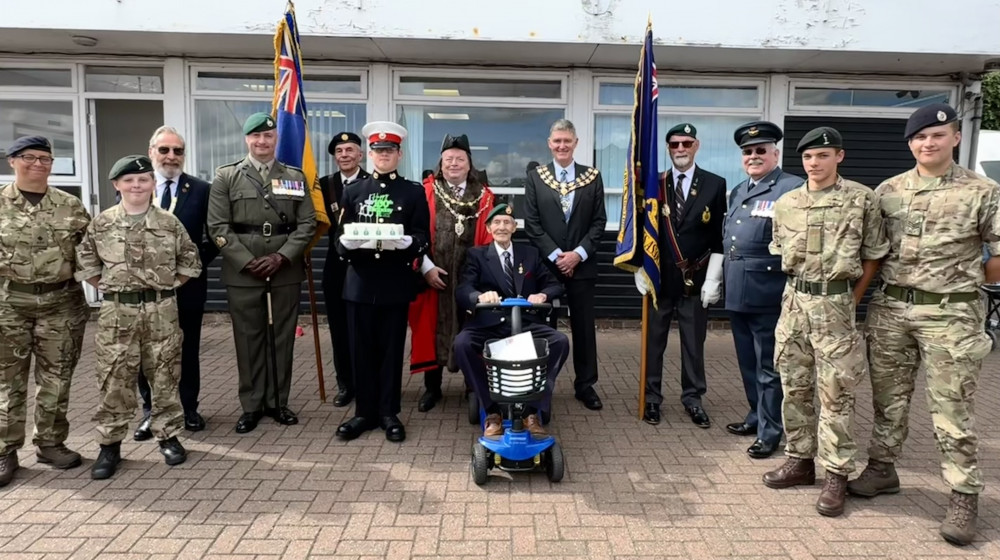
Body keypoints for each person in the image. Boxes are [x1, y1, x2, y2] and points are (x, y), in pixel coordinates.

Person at [849, 104, 1000, 546]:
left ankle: (963, 492)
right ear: (910, 143)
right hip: (892, 310)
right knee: (887, 399)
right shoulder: (889, 190)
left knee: (952, 408)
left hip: (951, 315)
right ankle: (881, 468)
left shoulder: (983, 191)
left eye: (937, 134)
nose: (928, 143)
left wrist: (975, 288)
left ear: (955, 137)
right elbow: (873, 251)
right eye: (920, 137)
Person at [762, 127, 887, 517]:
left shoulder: (861, 199)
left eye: (822, 156)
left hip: (835, 303)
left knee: (836, 392)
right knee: (794, 385)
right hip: (794, 302)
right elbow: (780, 249)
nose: (814, 163)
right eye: (808, 158)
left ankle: (837, 474)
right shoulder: (787, 202)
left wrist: (852, 298)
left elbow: (873, 255)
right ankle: (800, 460)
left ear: (839, 157)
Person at [75, 154, 201, 480]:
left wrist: (172, 284)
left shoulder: (169, 223)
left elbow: (190, 260)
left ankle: (168, 436)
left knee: (165, 374)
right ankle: (110, 444)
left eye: (143, 180)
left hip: (162, 311)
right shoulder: (102, 223)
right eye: (129, 180)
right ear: (117, 185)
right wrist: (103, 285)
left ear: (152, 185)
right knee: (114, 377)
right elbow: (86, 262)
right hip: (118, 313)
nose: (136, 185)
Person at [207, 112, 317, 434]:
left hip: (284, 267)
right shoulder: (226, 176)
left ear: (275, 139)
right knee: (248, 337)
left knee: (282, 336)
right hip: (243, 269)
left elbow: (307, 223)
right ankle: (252, 405)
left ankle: (279, 402)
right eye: (256, 136)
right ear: (247, 140)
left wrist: (282, 257)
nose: (262, 141)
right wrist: (246, 259)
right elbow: (217, 226)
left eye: (268, 136)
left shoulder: (294, 176)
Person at [0, 136, 91, 487]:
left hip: (61, 303)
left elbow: (89, 252)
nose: (38, 164)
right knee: (8, 380)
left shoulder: (71, 206)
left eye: (45, 159)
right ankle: (5, 450)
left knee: (57, 377)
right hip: (10, 304)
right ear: (12, 161)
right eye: (29, 157)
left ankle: (50, 443)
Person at [335, 121, 430, 443]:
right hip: (360, 282)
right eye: (378, 150)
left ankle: (389, 412)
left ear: (399, 154)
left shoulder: (413, 192)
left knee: (390, 351)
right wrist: (345, 244)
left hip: (394, 281)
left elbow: (422, 237)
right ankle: (364, 412)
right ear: (370, 154)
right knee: (360, 350)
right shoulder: (353, 191)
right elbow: (339, 239)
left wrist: (409, 244)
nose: (383, 155)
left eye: (389, 150)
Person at [723, 120, 802, 459]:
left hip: (768, 290)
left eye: (760, 150)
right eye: (748, 152)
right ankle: (755, 416)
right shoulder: (740, 189)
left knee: (769, 367)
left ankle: (771, 431)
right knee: (747, 363)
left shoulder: (791, 188)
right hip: (738, 289)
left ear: (775, 153)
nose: (753, 156)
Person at [453, 204, 569, 437]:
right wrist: (479, 296)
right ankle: (492, 409)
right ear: (488, 228)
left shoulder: (530, 254)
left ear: (515, 228)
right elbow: (463, 288)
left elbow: (555, 284)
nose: (502, 227)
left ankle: (532, 409)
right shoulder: (477, 255)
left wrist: (543, 294)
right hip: (489, 324)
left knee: (560, 341)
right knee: (462, 344)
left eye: (507, 222)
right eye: (496, 223)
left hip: (524, 323)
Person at [133, 126, 217, 441]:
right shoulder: (137, 185)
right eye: (164, 150)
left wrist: (189, 267)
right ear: (151, 151)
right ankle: (150, 412)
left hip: (188, 286)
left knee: (187, 347)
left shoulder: (201, 189)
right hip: (145, 288)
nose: (171, 156)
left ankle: (188, 407)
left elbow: (215, 236)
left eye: (177, 151)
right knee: (147, 351)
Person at [640, 123, 727, 428]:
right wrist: (640, 267)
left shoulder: (715, 184)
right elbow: (641, 231)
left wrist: (714, 278)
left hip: (696, 280)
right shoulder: (654, 184)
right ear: (668, 148)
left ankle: (693, 399)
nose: (680, 149)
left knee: (693, 344)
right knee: (654, 343)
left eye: (686, 144)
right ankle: (651, 398)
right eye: (674, 144)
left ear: (696, 146)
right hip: (660, 279)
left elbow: (719, 237)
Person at [523, 119, 607, 411]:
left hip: (582, 266)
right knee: (542, 328)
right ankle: (540, 386)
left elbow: (599, 223)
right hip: (547, 266)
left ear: (576, 143)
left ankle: (586, 386)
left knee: (584, 328)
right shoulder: (537, 176)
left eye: (567, 141)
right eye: (557, 141)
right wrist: (558, 254)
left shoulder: (592, 177)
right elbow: (532, 223)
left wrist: (577, 254)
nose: (561, 146)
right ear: (550, 143)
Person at [409, 134, 495, 412]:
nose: (454, 164)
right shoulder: (426, 192)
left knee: (472, 329)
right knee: (432, 328)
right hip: (434, 275)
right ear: (441, 164)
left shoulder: (484, 197)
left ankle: (473, 387)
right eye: (449, 159)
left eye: (460, 159)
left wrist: (480, 279)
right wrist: (426, 268)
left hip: (470, 279)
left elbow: (488, 237)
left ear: (469, 164)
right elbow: (415, 233)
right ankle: (431, 388)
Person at [319, 131, 369, 408]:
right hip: (335, 267)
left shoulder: (372, 183)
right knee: (339, 330)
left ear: (360, 155)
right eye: (339, 151)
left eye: (350, 150)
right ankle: (345, 384)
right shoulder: (324, 186)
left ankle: (365, 382)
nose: (345, 155)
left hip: (364, 268)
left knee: (363, 328)